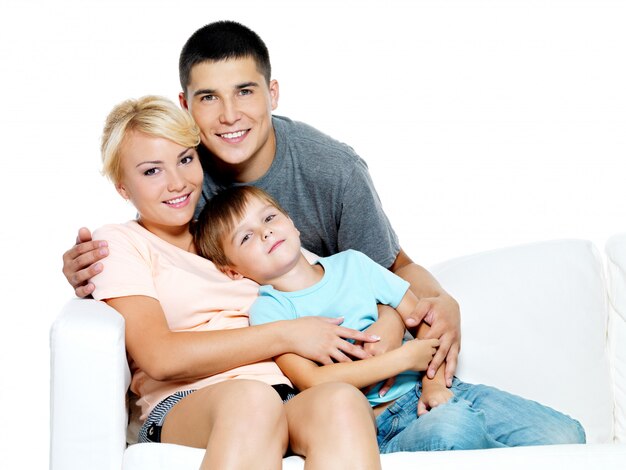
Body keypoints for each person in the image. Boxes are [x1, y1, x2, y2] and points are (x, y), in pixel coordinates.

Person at [62, 20, 461, 387]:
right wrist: (94, 269)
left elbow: (394, 268)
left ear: (273, 93)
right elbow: (156, 251)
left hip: (348, 350)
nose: (229, 115)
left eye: (245, 91)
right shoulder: (183, 170)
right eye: (208, 98)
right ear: (185, 105)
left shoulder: (333, 170)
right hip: (274, 372)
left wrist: (437, 304)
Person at [91, 94, 384, 469]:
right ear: (123, 187)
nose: (177, 183)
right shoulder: (121, 242)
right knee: (252, 401)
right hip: (189, 403)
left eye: (185, 160)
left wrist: (395, 321)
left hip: (285, 393)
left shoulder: (236, 234)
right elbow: (160, 358)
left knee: (341, 400)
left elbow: (342, 282)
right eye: (152, 171)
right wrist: (288, 334)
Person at [193, 185, 587, 453]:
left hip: (440, 390)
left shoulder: (355, 265)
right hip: (382, 424)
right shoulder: (270, 311)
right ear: (232, 270)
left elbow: (421, 320)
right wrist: (401, 359)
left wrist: (433, 386)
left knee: (566, 435)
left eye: (269, 218)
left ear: (292, 222)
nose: (264, 234)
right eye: (245, 237)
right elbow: (312, 382)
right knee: (455, 431)